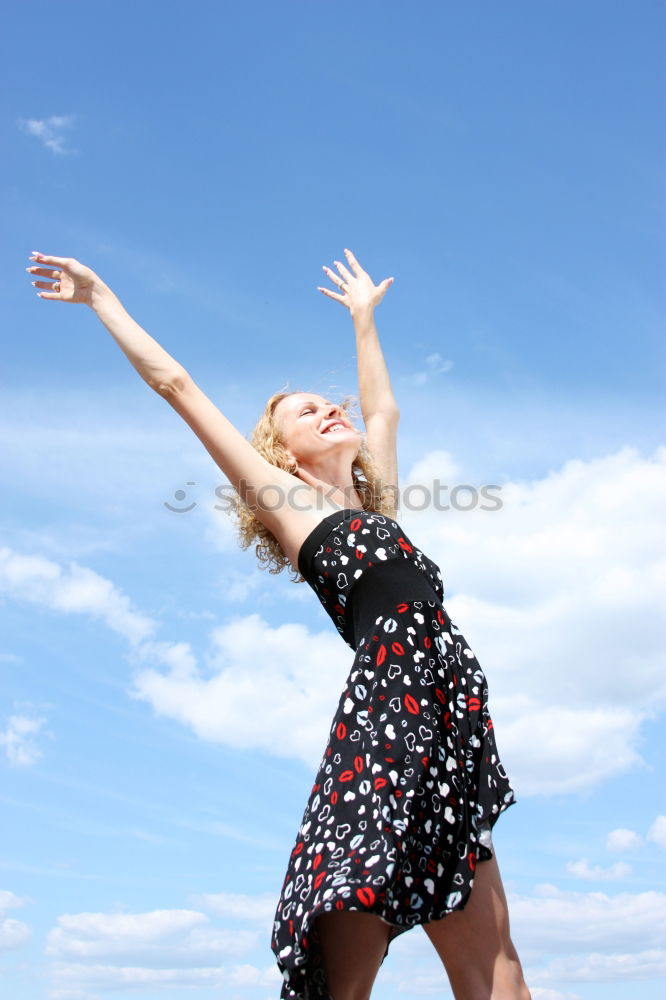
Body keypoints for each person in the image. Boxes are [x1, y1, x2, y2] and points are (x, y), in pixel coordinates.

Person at [26, 247, 531, 1000]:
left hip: (449, 727)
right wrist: (101, 298)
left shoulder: (377, 511)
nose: (332, 410)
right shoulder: (290, 507)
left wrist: (364, 320)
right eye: (306, 411)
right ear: (282, 457)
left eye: (330, 404)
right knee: (345, 979)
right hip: (388, 724)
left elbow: (384, 409)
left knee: (498, 970)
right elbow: (176, 384)